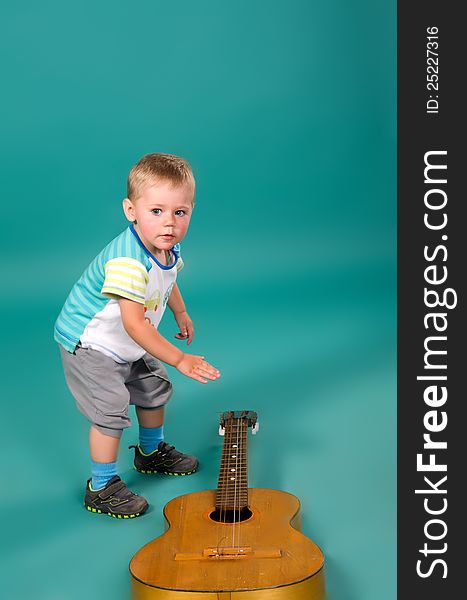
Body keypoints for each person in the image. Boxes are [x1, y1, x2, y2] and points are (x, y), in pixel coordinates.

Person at [54, 153, 220, 518]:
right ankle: (101, 486)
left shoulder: (166, 245)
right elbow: (134, 323)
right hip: (92, 344)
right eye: (156, 211)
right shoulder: (128, 260)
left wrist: (180, 311)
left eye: (180, 212)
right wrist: (178, 359)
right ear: (131, 210)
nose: (170, 223)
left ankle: (150, 452)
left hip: (127, 342)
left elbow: (169, 278)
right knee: (110, 411)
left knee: (152, 389)